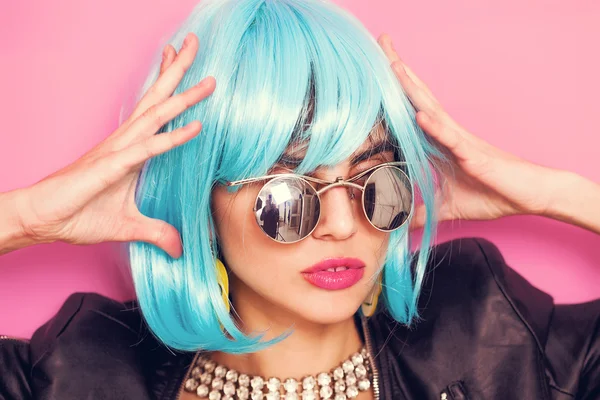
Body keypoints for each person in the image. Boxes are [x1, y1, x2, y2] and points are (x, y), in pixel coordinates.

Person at [1, 0, 599, 399]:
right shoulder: (79, 370)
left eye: (375, 182)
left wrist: (559, 193)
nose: (343, 225)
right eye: (289, 196)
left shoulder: (489, 330)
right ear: (201, 199)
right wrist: (24, 217)